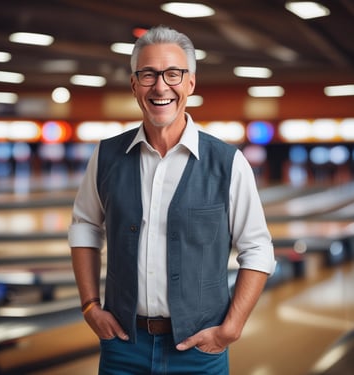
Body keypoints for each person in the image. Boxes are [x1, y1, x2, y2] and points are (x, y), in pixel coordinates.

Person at [68, 25, 275, 375]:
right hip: (123, 348)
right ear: (134, 85)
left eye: (173, 74)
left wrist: (232, 327)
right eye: (148, 75)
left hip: (199, 350)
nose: (160, 86)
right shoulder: (105, 156)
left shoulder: (228, 163)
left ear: (190, 83)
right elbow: (85, 227)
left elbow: (257, 248)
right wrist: (90, 305)